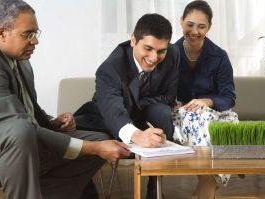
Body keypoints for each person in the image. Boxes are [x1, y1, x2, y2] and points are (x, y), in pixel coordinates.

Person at [0, 1, 130, 199]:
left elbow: (27, 112)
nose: (35, 41)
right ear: (2, 33)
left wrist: (52, 122)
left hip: (21, 142)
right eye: (28, 34)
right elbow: (16, 125)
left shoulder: (21, 62)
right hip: (2, 153)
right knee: (20, 133)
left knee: (101, 140)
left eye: (36, 34)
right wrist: (95, 149)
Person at [74, 13, 179, 198]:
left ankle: (155, 189)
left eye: (161, 51)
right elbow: (114, 109)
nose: (154, 57)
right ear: (133, 41)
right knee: (83, 138)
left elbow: (169, 98)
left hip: (145, 115)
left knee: (162, 112)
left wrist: (139, 104)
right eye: (148, 48)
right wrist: (137, 135)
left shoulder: (173, 55)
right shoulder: (110, 68)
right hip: (108, 116)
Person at [173, 1, 237, 199]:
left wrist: (207, 101)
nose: (195, 31)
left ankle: (205, 183)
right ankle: (207, 183)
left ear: (209, 27)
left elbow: (229, 97)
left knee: (207, 120)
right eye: (190, 24)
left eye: (201, 26)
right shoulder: (170, 53)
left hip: (217, 114)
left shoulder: (219, 56)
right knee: (193, 118)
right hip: (182, 114)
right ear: (181, 22)